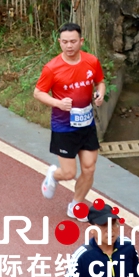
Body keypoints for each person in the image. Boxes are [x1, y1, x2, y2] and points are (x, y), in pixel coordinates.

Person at [35, 22, 105, 219]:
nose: (69, 46)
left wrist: (100, 94)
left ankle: (76, 204)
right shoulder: (52, 68)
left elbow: (100, 82)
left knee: (89, 168)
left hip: (86, 124)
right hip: (64, 126)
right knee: (68, 173)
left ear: (81, 41)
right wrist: (57, 103)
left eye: (73, 41)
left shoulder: (91, 61)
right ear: (59, 42)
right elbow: (38, 93)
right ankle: (53, 176)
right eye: (65, 42)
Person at [62, 204, 139, 277]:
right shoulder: (81, 257)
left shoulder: (127, 246)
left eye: (113, 223)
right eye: (104, 225)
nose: (110, 230)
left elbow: (137, 273)